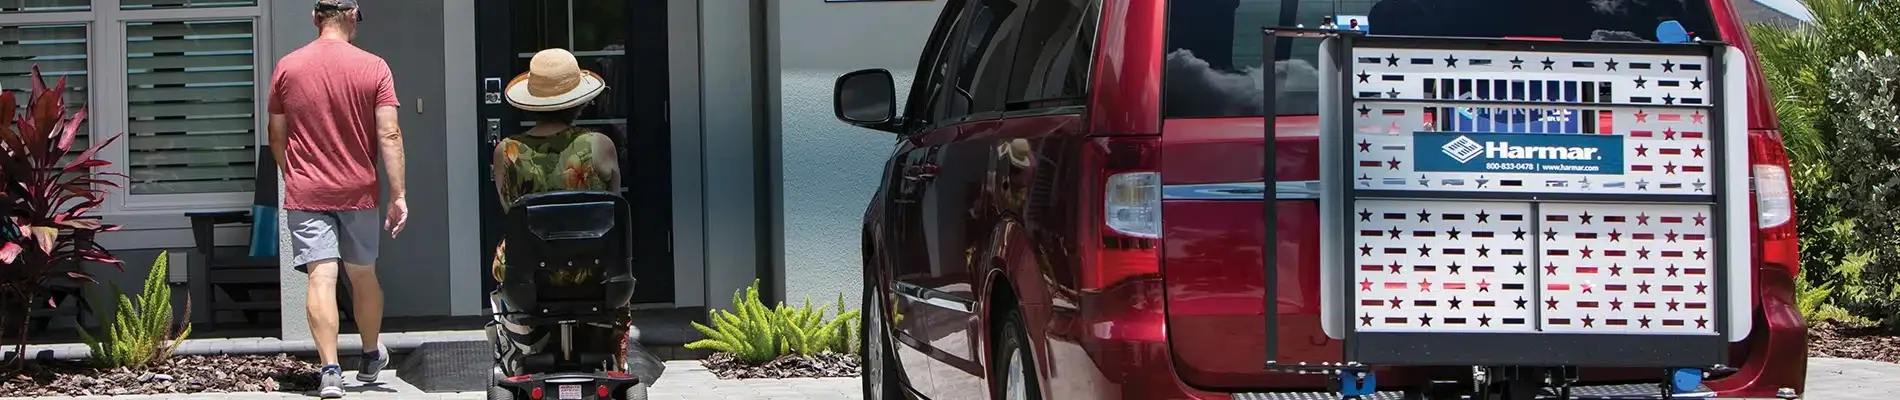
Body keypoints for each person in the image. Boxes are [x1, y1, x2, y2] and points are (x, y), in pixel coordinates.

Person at [265, 1, 406, 398]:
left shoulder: (288, 67)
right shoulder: (374, 67)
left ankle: (329, 371)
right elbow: (390, 135)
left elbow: (276, 135)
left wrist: (293, 173)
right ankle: (367, 356)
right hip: (358, 191)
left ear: (314, 19)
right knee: (362, 274)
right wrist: (398, 194)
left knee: (320, 277)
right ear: (351, 18)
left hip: (307, 190)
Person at [485, 47, 622, 376]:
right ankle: (611, 355)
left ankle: (517, 351)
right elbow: (614, 206)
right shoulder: (600, 145)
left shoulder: (507, 152)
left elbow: (510, 210)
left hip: (530, 275)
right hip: (594, 270)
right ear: (580, 100)